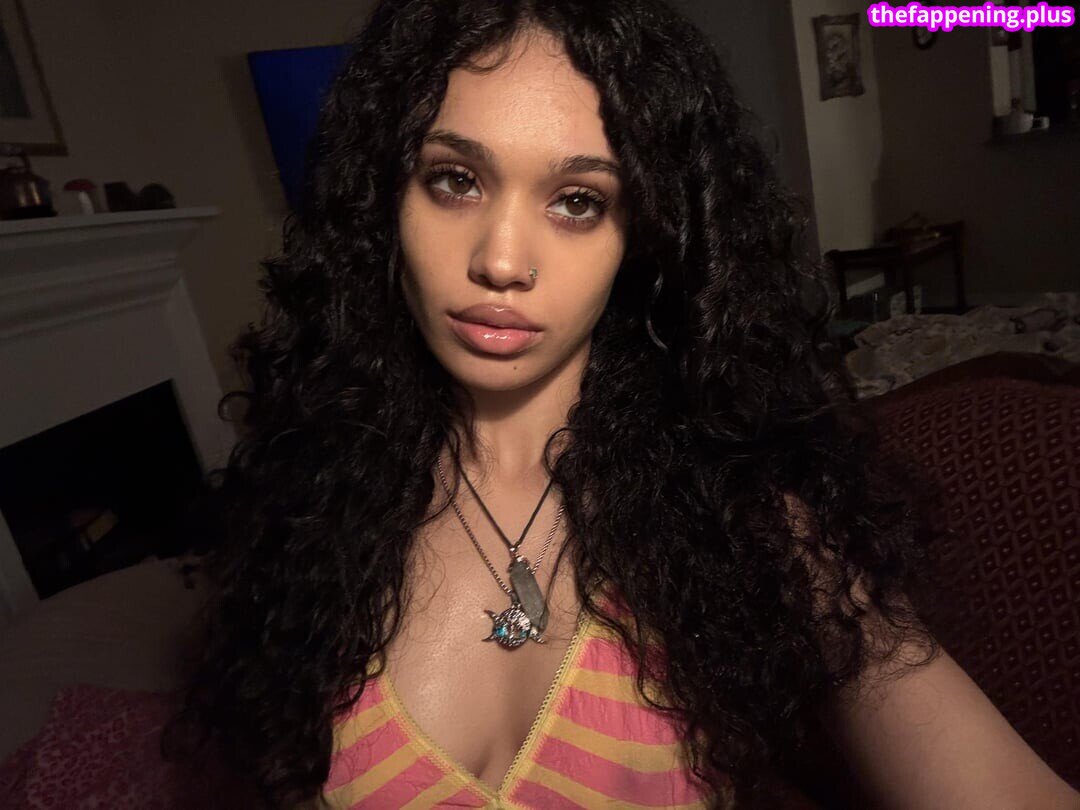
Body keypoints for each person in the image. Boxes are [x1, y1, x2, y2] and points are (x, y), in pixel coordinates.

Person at [163, 0, 1080, 808]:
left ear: (644, 235)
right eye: (455, 179)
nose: (502, 260)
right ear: (381, 198)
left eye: (576, 201)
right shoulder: (308, 507)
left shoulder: (748, 515)